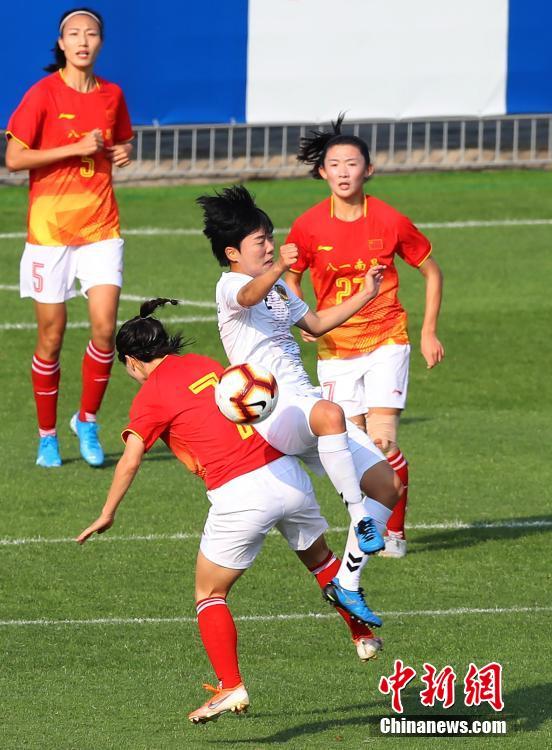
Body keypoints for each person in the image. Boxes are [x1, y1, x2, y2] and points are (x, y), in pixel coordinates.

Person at [77, 299, 385, 725]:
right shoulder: (204, 364)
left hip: (239, 495)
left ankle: (230, 685)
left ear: (131, 361)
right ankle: (362, 635)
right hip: (286, 474)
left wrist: (107, 512)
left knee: (209, 594)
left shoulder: (150, 396)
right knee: (321, 561)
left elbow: (130, 459)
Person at [196, 186, 402, 627]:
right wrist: (281, 269)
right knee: (332, 414)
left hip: (304, 404)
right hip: (272, 409)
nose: (270, 246)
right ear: (233, 253)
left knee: (388, 485)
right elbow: (248, 298)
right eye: (260, 241)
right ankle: (358, 518)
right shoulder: (230, 286)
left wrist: (366, 293)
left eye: (270, 237)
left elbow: (317, 323)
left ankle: (347, 582)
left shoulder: (277, 289)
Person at [284, 115, 445, 558]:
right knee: (352, 450)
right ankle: (370, 525)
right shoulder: (308, 226)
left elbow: (432, 271)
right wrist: (305, 318)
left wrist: (428, 331)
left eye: (352, 164)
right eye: (334, 165)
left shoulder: (390, 220)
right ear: (322, 172)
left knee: (382, 440)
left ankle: (391, 533)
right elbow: (291, 278)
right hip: (336, 349)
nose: (343, 172)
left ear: (368, 170)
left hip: (387, 339)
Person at [5, 7, 133, 468]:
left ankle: (87, 420)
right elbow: (14, 159)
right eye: (74, 34)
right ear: (61, 43)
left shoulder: (113, 94)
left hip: (101, 228)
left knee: (105, 328)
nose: (82, 41)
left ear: (100, 41)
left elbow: (122, 142)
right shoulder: (42, 94)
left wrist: (123, 152)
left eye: (91, 33)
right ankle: (47, 436)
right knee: (51, 336)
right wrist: (74, 148)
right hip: (49, 233)